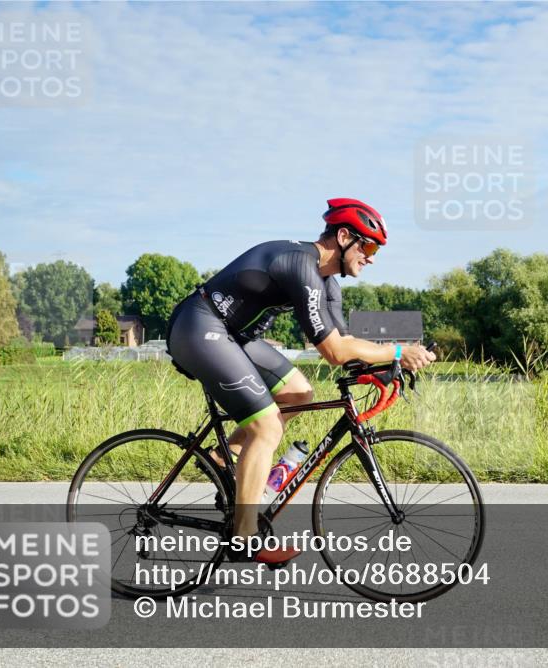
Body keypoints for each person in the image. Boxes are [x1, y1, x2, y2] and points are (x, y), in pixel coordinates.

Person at [165, 198, 436, 563]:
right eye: (369, 246)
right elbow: (335, 352)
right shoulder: (302, 267)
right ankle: (244, 537)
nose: (372, 257)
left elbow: (347, 345)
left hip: (235, 336)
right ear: (343, 236)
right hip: (199, 327)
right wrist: (398, 352)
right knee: (266, 429)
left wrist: (382, 368)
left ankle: (223, 456)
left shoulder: (329, 285)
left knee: (299, 393)